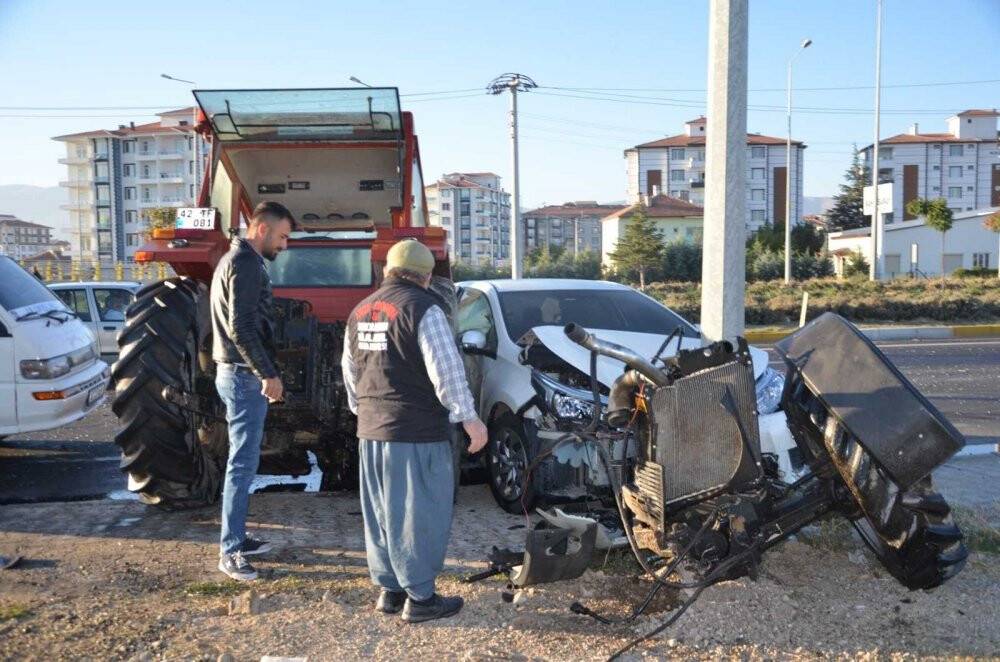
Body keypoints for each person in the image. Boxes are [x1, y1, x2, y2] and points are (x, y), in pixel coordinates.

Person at [342, 239, 488, 623]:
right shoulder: (424, 309)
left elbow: (351, 373)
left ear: (388, 271)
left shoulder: (360, 311)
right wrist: (469, 418)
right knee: (418, 513)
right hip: (415, 432)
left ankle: (390, 591)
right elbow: (447, 369)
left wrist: (365, 413)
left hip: (371, 431)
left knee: (381, 513)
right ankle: (421, 598)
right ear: (425, 277)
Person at [210, 201, 297, 581]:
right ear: (261, 229)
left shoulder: (235, 259)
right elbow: (241, 328)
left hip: (236, 373)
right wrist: (268, 373)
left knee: (243, 463)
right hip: (244, 376)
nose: (285, 245)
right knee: (241, 465)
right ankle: (230, 550)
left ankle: (238, 538)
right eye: (282, 236)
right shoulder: (245, 263)